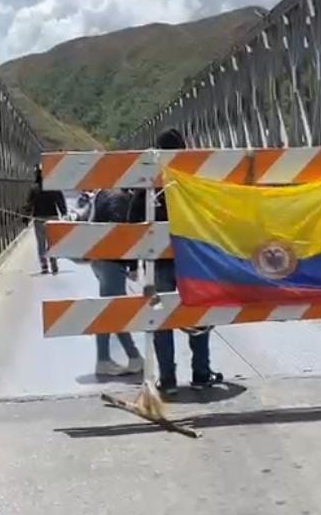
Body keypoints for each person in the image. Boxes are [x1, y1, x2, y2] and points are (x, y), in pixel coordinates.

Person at [130, 128, 222, 393]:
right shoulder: (192, 179)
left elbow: (132, 218)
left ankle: (168, 380)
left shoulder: (152, 180)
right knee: (198, 312)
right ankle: (201, 374)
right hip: (192, 258)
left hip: (159, 262)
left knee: (162, 319)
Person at [86, 187, 145, 376]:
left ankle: (106, 358)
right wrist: (133, 265)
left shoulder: (103, 193)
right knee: (114, 312)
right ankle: (131, 357)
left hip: (99, 260)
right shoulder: (120, 198)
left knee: (109, 309)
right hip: (112, 262)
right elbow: (122, 234)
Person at [23, 166, 67, 274]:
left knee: (41, 243)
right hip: (53, 218)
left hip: (39, 219)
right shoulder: (54, 187)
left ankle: (44, 265)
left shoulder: (34, 188)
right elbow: (60, 201)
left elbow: (29, 204)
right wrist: (64, 213)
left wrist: (25, 217)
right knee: (52, 243)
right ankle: (53, 261)